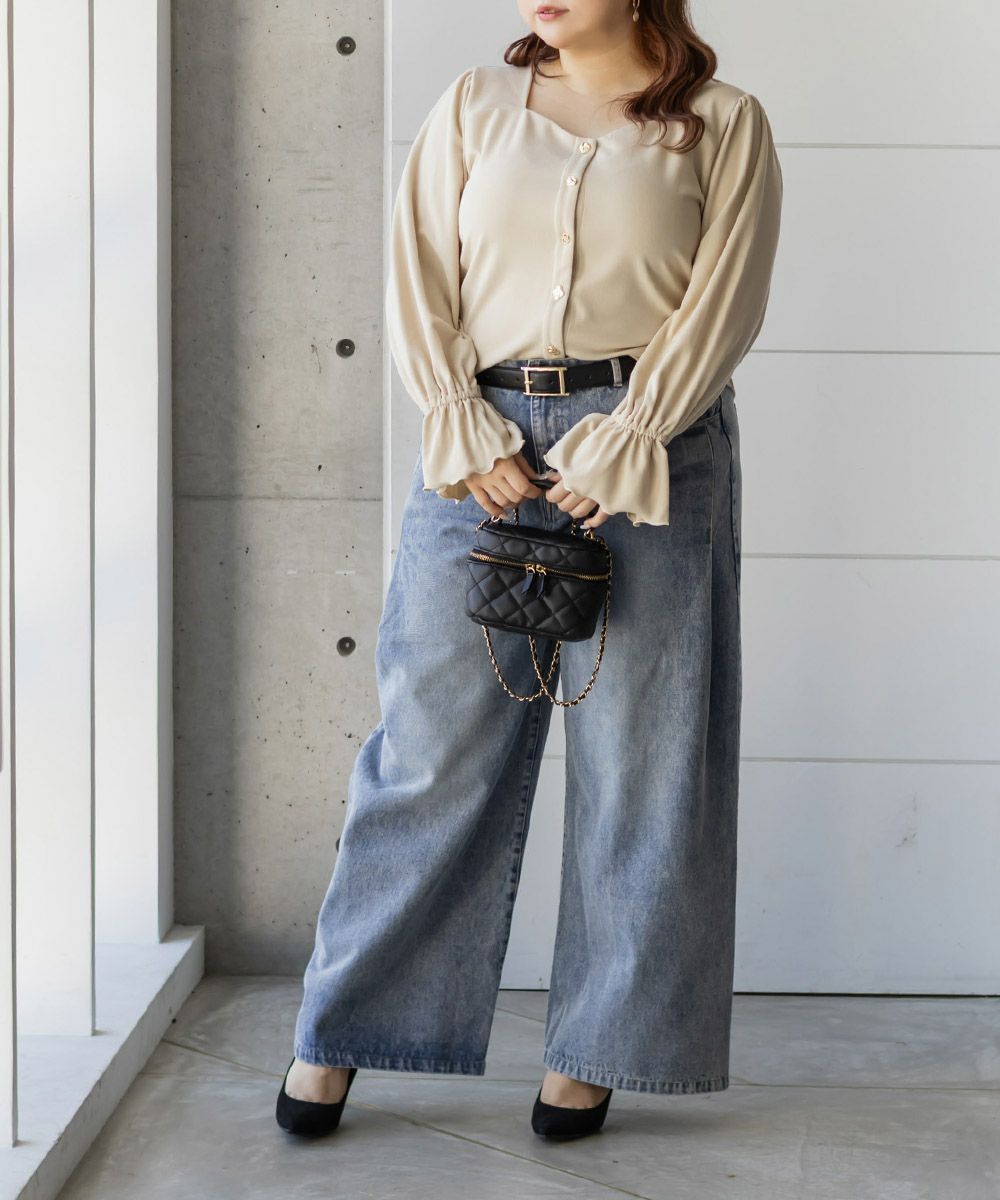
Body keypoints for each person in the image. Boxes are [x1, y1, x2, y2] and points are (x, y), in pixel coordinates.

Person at [276, 0, 782, 1142]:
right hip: (483, 447)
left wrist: (633, 432)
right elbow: (418, 271)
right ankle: (345, 1028)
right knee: (427, 751)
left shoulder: (722, 122)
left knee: (645, 762)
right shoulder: (475, 105)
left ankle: (596, 1052)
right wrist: (459, 421)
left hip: (654, 450)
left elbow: (727, 299)